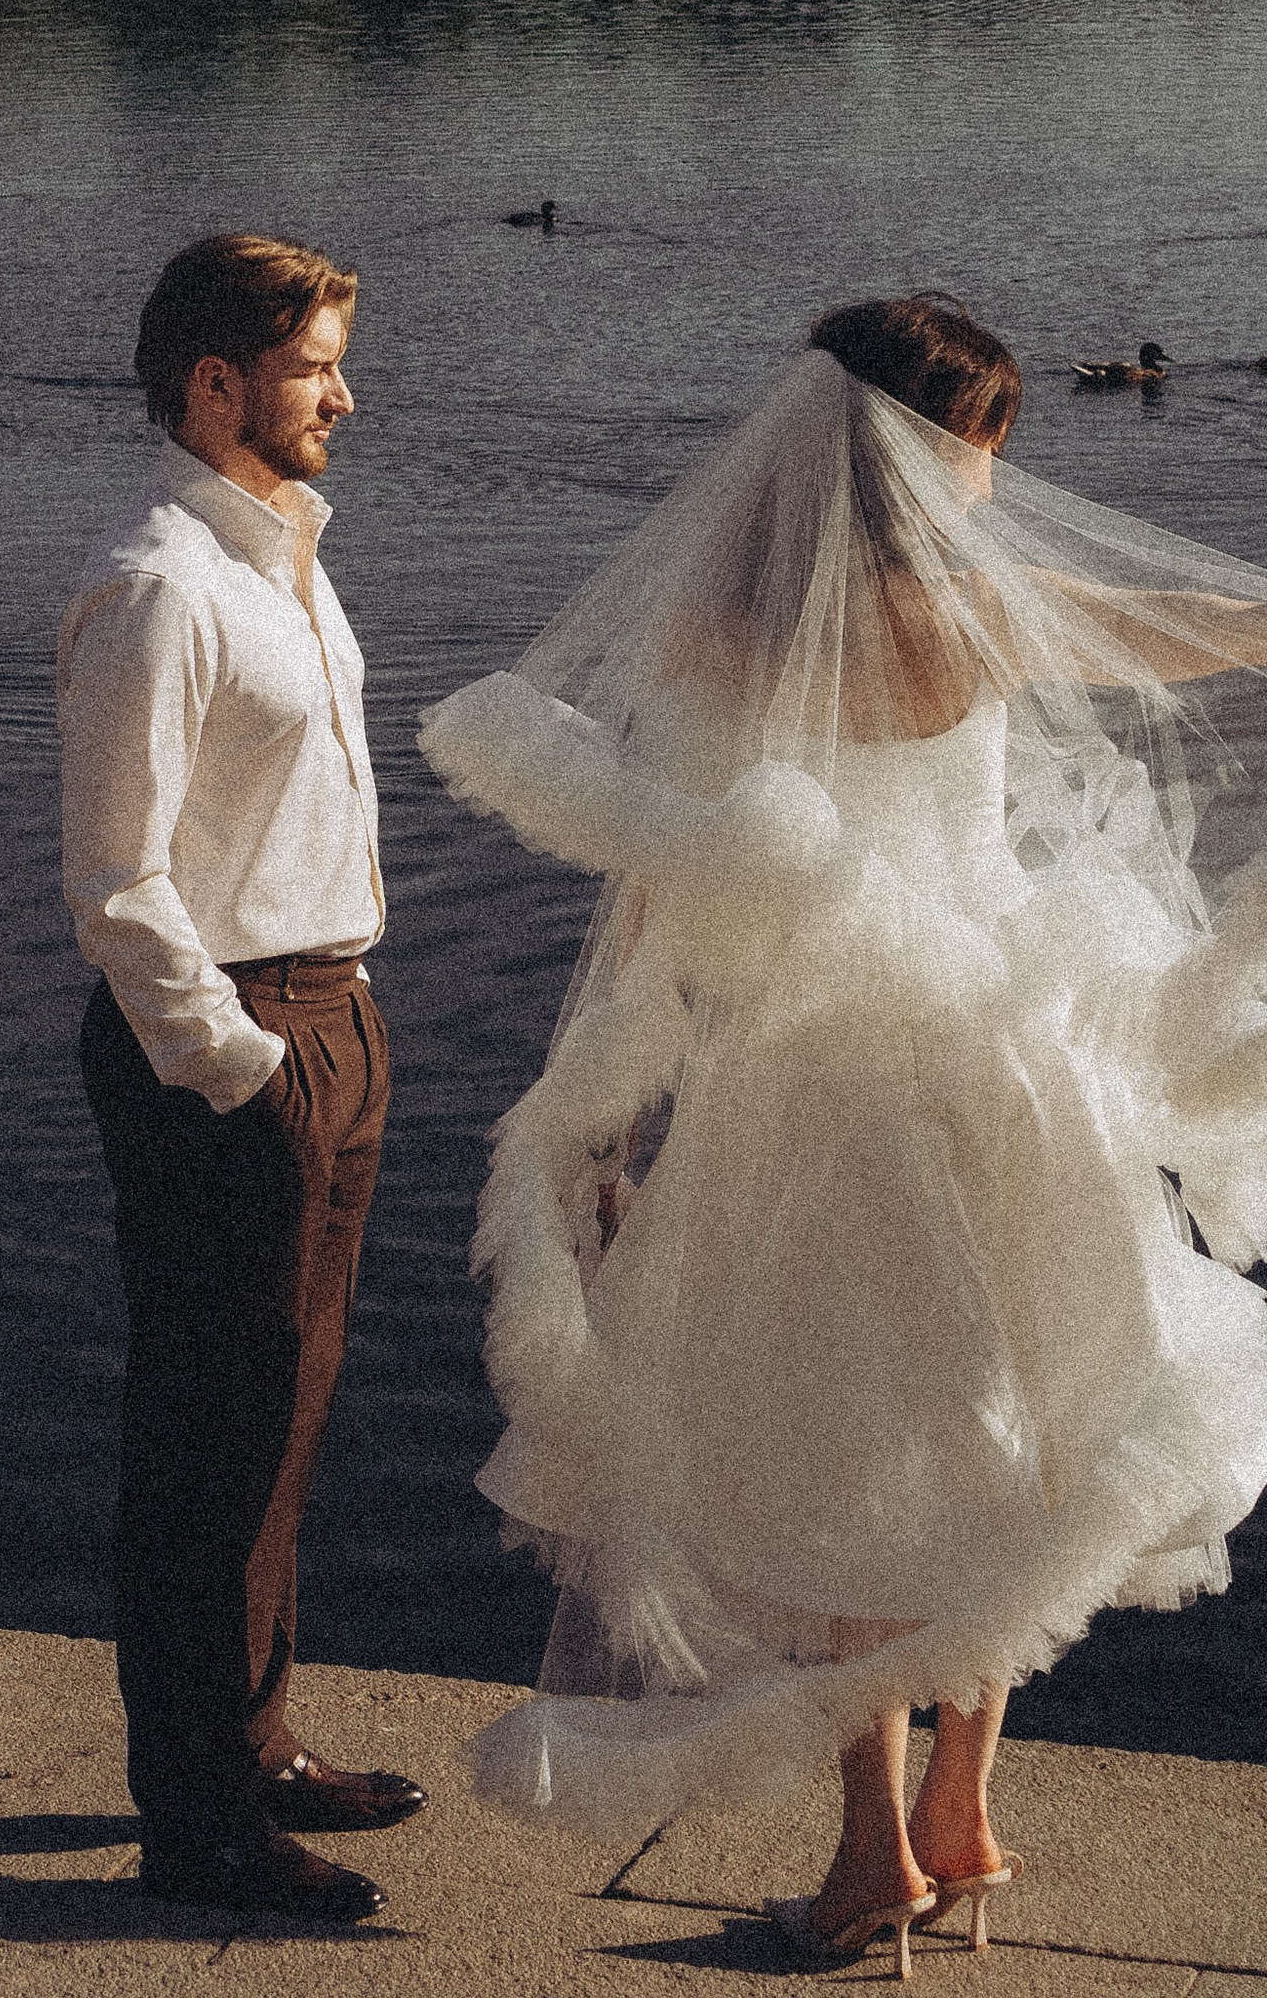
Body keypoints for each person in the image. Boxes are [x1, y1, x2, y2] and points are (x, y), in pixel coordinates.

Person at [419, 292, 1267, 1975]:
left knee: (842, 1468)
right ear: (937, 450)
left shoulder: (699, 639)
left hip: (804, 1091)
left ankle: (881, 1848)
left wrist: (611, 1108)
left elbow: (660, 900)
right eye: (985, 449)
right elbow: (1179, 622)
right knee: (1015, 1428)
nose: (989, 484)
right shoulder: (977, 615)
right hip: (1004, 1064)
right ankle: (957, 1812)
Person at [58, 231, 422, 1923]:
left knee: (287, 1414)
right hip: (229, 1045)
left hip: (329, 1012)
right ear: (217, 385)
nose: (344, 395)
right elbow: (121, 889)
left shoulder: (282, 555)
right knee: (207, 1436)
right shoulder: (161, 587)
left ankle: (255, 1744)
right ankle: (194, 1820)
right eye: (313, 368)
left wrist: (326, 1045)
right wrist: (248, 1072)